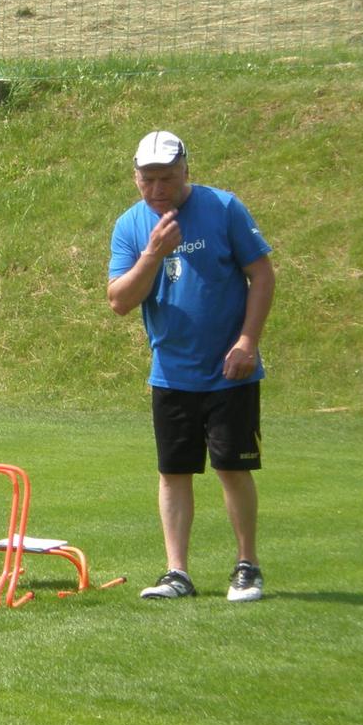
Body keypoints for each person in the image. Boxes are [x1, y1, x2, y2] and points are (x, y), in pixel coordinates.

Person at [107, 131, 276, 602]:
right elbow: (120, 301)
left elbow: (261, 274)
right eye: (148, 180)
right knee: (173, 473)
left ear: (186, 171)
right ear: (135, 178)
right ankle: (176, 572)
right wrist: (153, 254)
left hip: (230, 369)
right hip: (171, 372)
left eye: (168, 178)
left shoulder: (223, 209)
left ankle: (247, 566)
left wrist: (248, 341)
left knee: (232, 468)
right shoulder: (130, 226)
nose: (158, 189)